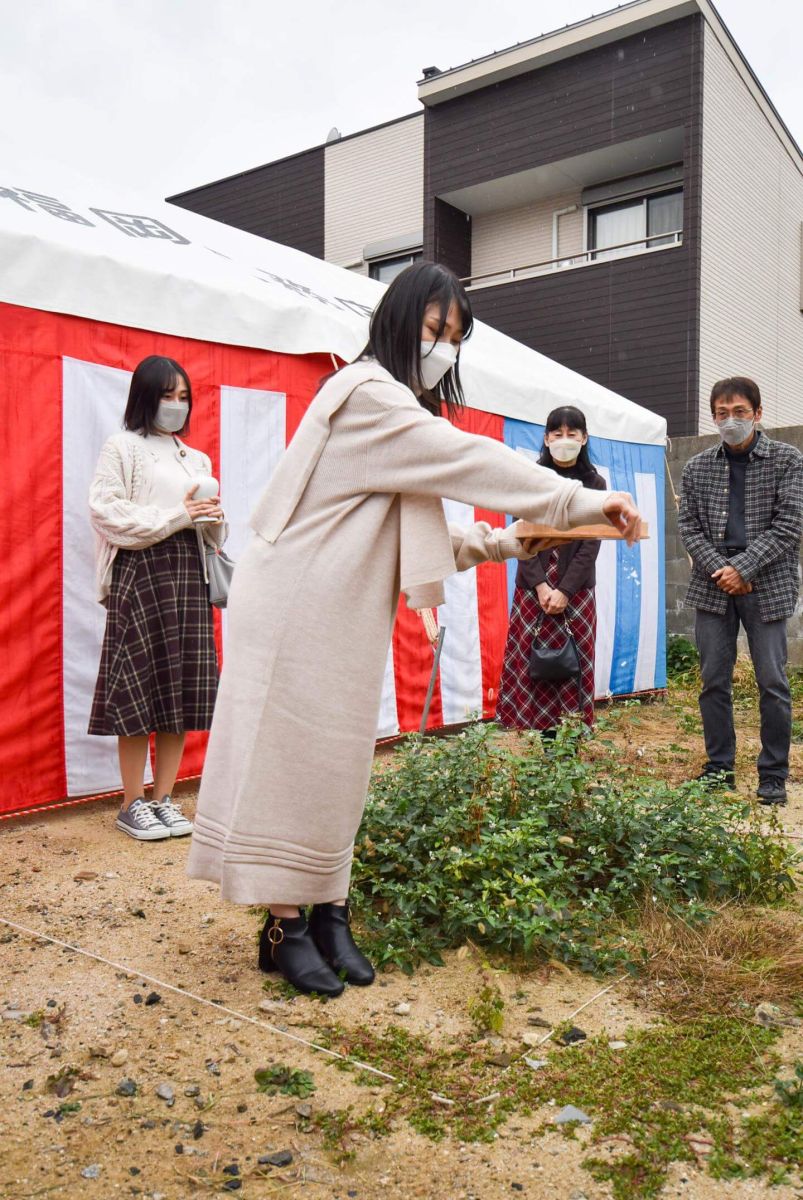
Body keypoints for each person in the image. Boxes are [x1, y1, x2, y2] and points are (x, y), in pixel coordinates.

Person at [186, 262, 642, 997]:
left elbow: (418, 533)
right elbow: (467, 461)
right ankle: (284, 925)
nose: (444, 350)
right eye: (436, 331)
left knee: (340, 761)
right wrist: (572, 501)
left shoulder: (397, 413)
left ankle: (330, 912)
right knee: (293, 760)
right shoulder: (367, 394)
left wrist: (509, 541)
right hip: (298, 601)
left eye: (455, 339)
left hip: (338, 601)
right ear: (400, 322)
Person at [88, 356, 227, 840]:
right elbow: (106, 512)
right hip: (140, 573)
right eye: (167, 395)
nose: (176, 405)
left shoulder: (197, 459)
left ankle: (164, 798)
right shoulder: (123, 447)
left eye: (183, 396)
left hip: (190, 575)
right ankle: (131, 803)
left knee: (180, 688)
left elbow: (212, 536)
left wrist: (210, 517)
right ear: (145, 396)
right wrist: (178, 515)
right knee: (137, 685)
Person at [678, 376, 803, 805]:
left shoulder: (787, 460)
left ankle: (772, 775)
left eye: (739, 412)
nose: (730, 420)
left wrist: (745, 566)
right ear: (713, 416)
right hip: (713, 585)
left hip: (767, 583)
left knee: (772, 682)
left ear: (758, 413)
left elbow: (789, 524)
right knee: (714, 680)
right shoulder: (696, 467)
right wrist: (725, 569)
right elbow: (688, 527)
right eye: (722, 413)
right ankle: (718, 768)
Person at [497, 406, 606, 735]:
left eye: (572, 434)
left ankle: (570, 743)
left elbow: (592, 543)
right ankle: (540, 743)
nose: (564, 440)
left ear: (584, 438)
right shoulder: (531, 478)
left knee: (573, 664)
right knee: (533, 664)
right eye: (557, 434)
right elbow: (518, 535)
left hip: (576, 592)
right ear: (545, 438)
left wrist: (564, 590)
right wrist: (543, 586)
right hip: (533, 590)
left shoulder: (595, 482)